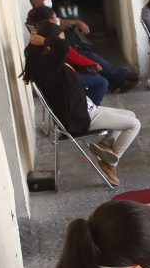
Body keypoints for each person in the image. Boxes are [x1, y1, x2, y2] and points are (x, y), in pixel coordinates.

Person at [24, 20, 140, 186]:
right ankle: (110, 163)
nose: (64, 44)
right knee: (134, 124)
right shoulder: (49, 65)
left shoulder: (46, 61)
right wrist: (43, 40)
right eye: (60, 39)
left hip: (83, 109)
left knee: (130, 115)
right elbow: (62, 47)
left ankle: (105, 145)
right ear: (50, 44)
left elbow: (62, 49)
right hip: (81, 116)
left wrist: (45, 41)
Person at [26, 0, 138, 92]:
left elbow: (59, 23)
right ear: (35, 1)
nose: (48, 0)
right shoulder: (37, 17)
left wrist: (76, 22)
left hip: (63, 46)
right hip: (59, 52)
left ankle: (117, 80)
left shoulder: (45, 12)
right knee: (90, 57)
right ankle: (121, 75)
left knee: (90, 54)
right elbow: (51, 36)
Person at [28, 5, 108, 105]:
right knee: (101, 82)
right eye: (55, 17)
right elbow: (67, 52)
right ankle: (88, 108)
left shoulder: (36, 37)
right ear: (51, 20)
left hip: (55, 80)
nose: (58, 19)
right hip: (62, 80)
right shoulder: (52, 35)